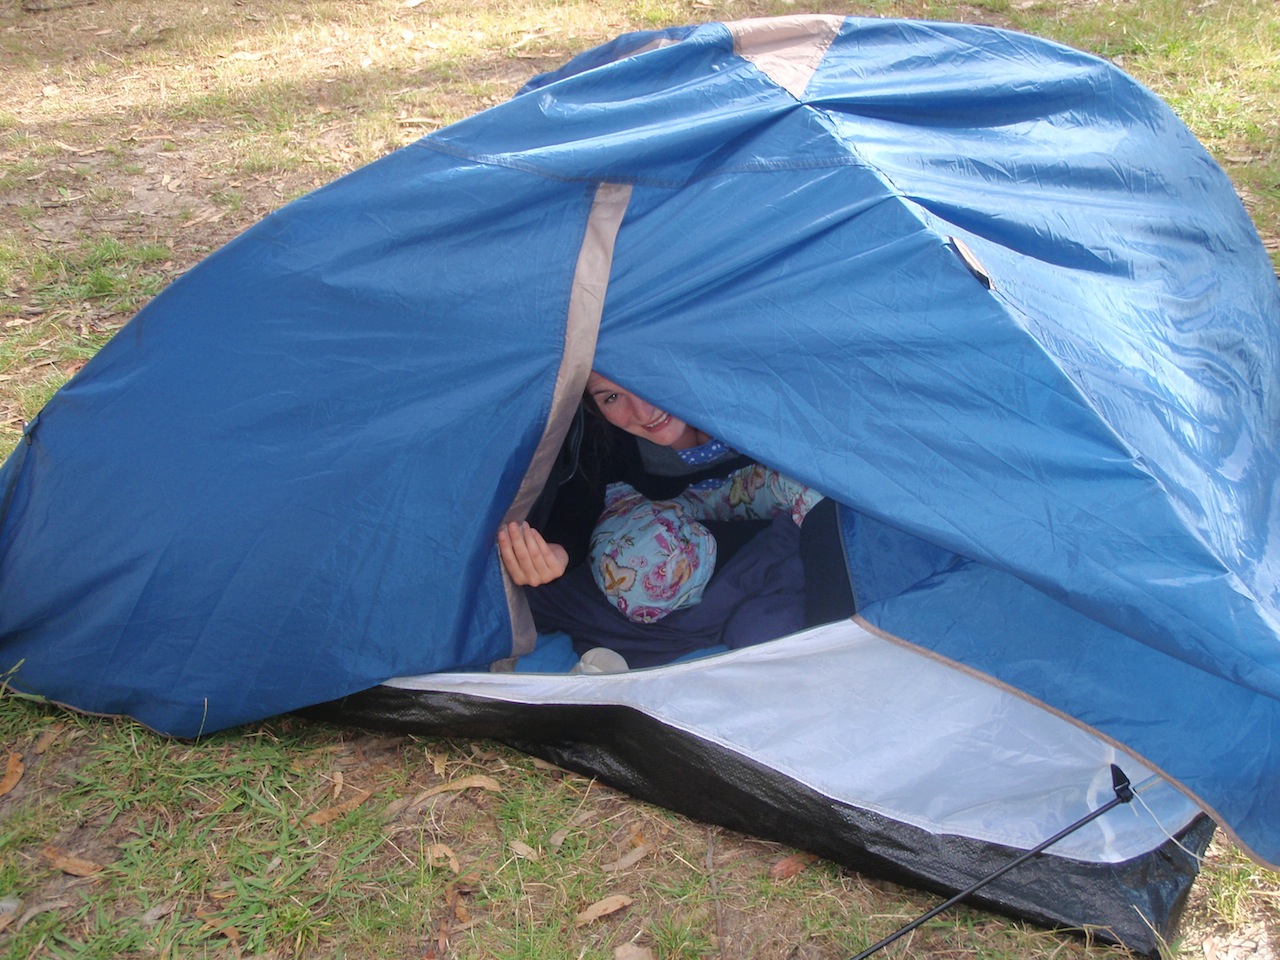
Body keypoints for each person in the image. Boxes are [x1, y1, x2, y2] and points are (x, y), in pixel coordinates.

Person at [497, 372, 853, 669]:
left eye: (642, 379)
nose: (643, 412)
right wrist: (562, 551)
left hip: (749, 494)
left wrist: (837, 645)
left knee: (822, 489)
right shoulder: (605, 437)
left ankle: (838, 641)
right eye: (611, 398)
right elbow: (580, 495)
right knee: (642, 571)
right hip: (652, 510)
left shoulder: (744, 398)